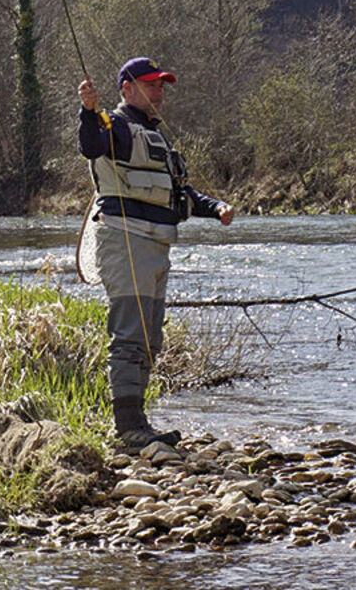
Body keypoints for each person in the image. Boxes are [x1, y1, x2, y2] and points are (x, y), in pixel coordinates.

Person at [77, 56, 234, 449]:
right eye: (151, 85)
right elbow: (90, 145)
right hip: (126, 241)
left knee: (149, 339)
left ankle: (138, 422)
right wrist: (87, 111)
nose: (159, 92)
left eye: (161, 85)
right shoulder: (113, 127)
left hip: (156, 245)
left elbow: (180, 193)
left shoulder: (157, 137)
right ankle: (128, 428)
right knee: (130, 337)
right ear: (127, 89)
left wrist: (215, 208)